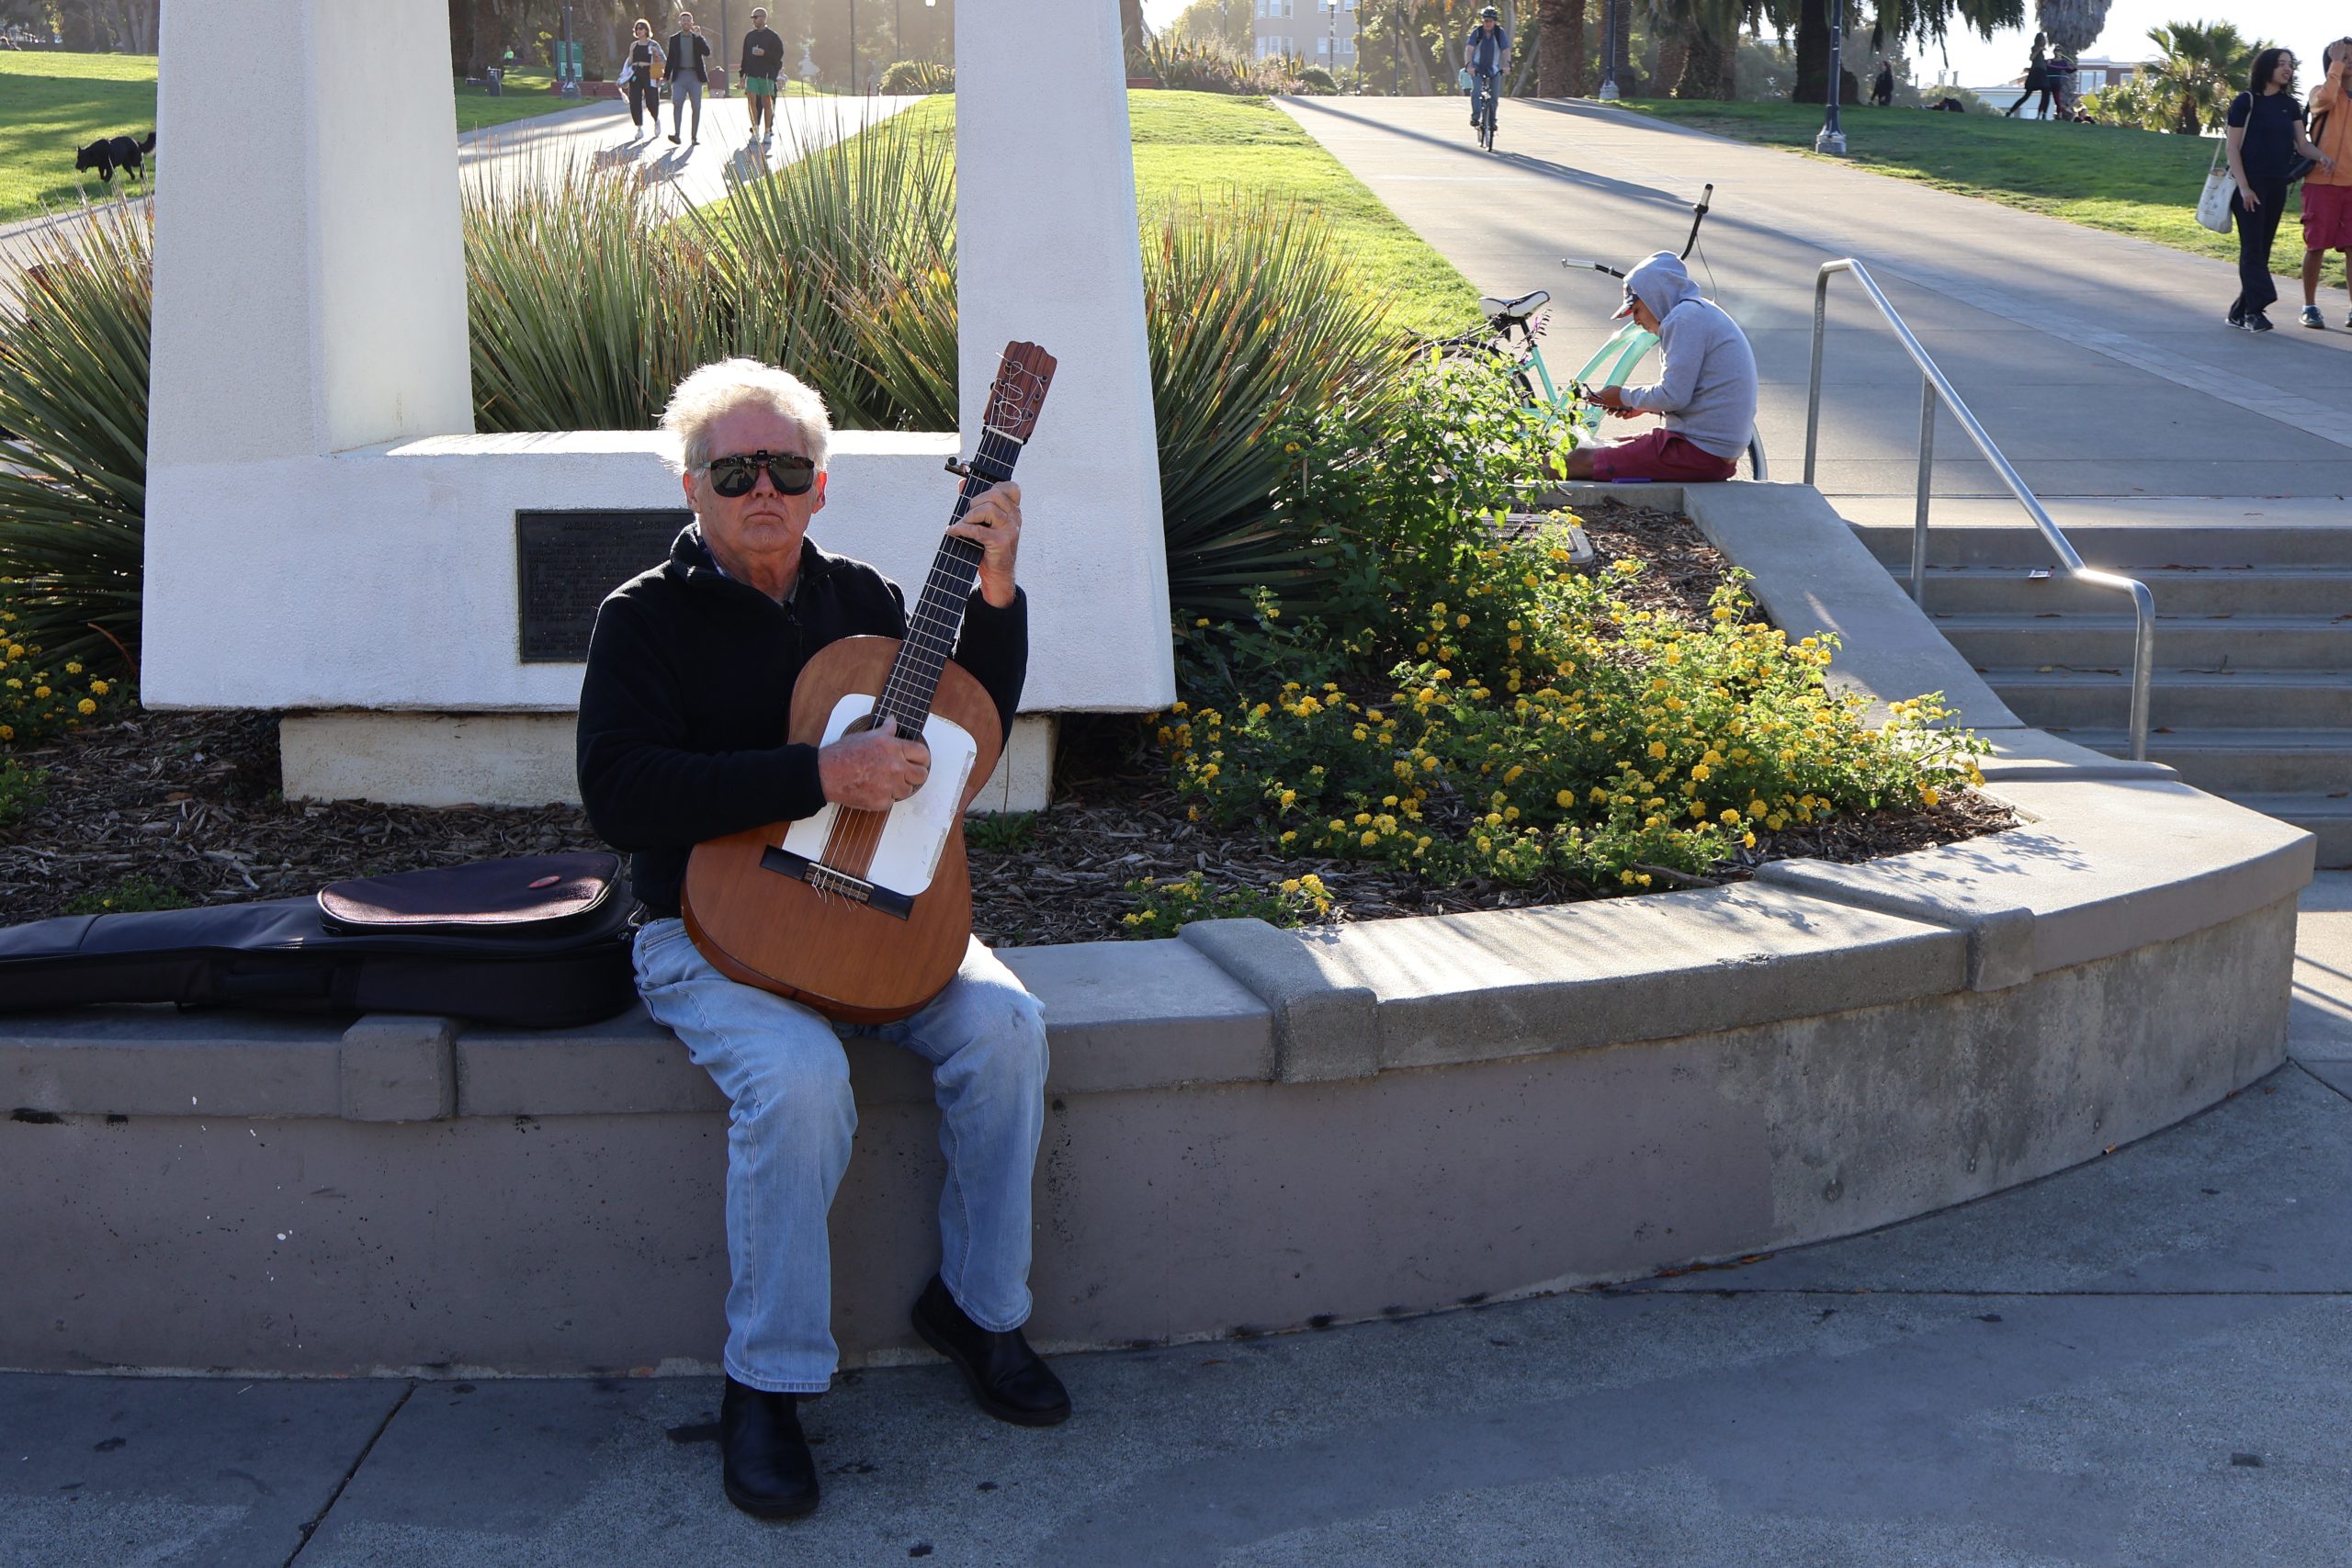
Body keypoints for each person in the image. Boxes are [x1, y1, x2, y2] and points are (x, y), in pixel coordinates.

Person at [576, 359, 1062, 1520]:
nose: (762, 489)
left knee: (1006, 1028)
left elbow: (965, 732)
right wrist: (815, 774)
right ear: (691, 485)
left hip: (874, 918)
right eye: (734, 469)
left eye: (784, 469)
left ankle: (980, 1312)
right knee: (798, 1082)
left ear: (820, 486)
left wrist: (996, 592)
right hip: (707, 931)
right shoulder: (641, 619)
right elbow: (621, 794)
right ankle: (768, 1384)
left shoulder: (869, 600)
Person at [1560, 252, 1758, 485]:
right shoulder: (1697, 312)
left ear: (1655, 296)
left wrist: (1621, 395)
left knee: (1576, 459)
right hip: (1711, 451)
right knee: (1601, 445)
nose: (1635, 321)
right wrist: (1642, 406)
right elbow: (1693, 393)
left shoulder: (1683, 319)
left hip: (1698, 452)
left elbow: (1673, 396)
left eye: (1636, 310)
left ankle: (1510, 490)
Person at [2226, 47, 2333, 332]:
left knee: (2262, 249)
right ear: (2266, 68)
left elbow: (2302, 144)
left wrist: (2321, 156)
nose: (2287, 69)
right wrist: (2245, 187)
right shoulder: (2246, 102)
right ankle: (2255, 311)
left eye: (2290, 64)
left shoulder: (2290, 105)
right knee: (2251, 248)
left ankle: (2238, 311)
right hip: (2248, 187)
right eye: (2281, 64)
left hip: (2275, 186)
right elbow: (2232, 148)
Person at [2300, 39, 2352, 329]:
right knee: (2316, 245)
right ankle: (2309, 305)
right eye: (2345, 56)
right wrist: (2336, 67)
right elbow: (2327, 101)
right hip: (2321, 183)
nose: (2350, 61)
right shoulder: (2320, 92)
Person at [665, 10, 712, 145]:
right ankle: (677, 134)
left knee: (696, 106)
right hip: (680, 75)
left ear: (692, 23)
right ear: (680, 23)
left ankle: (694, 137)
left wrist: (699, 37)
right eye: (683, 20)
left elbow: (707, 52)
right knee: (677, 103)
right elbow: (671, 58)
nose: (686, 22)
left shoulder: (697, 38)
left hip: (695, 76)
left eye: (688, 20)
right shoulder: (674, 39)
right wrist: (666, 76)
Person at [740, 7, 786, 145]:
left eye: (756, 17)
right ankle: (755, 130)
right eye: (752, 17)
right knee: (751, 101)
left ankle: (767, 131)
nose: (753, 20)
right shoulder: (750, 36)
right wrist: (742, 75)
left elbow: (779, 55)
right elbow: (745, 57)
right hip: (752, 74)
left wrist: (764, 53)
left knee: (767, 102)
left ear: (764, 18)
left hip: (766, 74)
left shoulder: (773, 36)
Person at [1462, 6, 1509, 137]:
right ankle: (1476, 117)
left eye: (1490, 21)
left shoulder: (1500, 33)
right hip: (1477, 67)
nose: (1488, 23)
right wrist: (1469, 66)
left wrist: (1507, 65)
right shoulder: (1477, 32)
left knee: (1494, 96)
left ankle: (1492, 121)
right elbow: (1469, 49)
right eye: (1486, 20)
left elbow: (1505, 50)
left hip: (1493, 68)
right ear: (1483, 21)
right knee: (1476, 90)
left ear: (1495, 21)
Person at [622, 17, 662, 138]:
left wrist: (655, 53)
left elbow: (662, 59)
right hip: (636, 73)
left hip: (649, 73)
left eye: (641, 28)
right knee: (634, 100)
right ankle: (639, 128)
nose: (639, 31)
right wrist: (625, 76)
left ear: (646, 30)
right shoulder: (633, 45)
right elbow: (629, 61)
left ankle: (656, 120)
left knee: (651, 100)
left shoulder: (653, 44)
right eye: (637, 29)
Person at [2005, 33, 2049, 118]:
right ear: (2040, 40)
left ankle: (2044, 114)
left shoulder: (2042, 52)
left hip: (2042, 73)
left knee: (2046, 92)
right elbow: (2032, 58)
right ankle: (2010, 112)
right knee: (2027, 96)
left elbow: (2039, 62)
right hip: (2036, 74)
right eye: (2043, 39)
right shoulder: (2035, 48)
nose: (2045, 41)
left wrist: (2046, 62)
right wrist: (2039, 49)